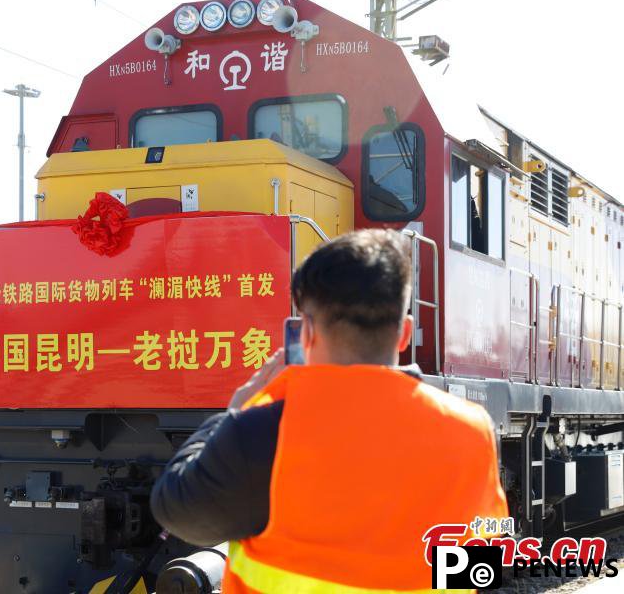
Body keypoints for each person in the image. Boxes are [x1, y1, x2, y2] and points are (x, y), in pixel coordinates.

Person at [150, 229, 508, 592]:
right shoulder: (472, 431)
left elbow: (180, 513)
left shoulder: (263, 431)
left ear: (305, 334)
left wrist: (232, 413)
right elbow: (483, 564)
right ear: (404, 333)